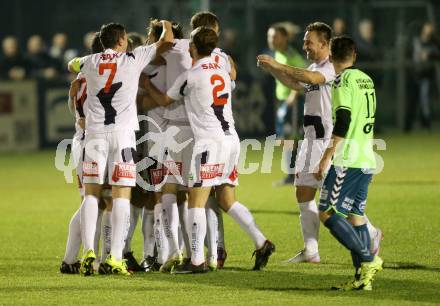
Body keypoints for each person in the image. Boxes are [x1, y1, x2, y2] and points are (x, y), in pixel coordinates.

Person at [142, 26, 275, 274]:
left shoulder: (190, 75)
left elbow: (163, 101)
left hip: (208, 143)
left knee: (196, 200)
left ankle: (195, 261)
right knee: (226, 200)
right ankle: (261, 242)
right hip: (231, 140)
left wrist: (146, 85)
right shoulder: (223, 71)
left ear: (192, 46)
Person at [258, 22, 382, 264]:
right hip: (311, 140)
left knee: (338, 205)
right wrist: (272, 71)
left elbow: (310, 77)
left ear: (325, 45)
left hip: (328, 143)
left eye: (309, 42)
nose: (305, 46)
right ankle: (311, 250)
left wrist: (277, 64)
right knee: (303, 193)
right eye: (305, 41)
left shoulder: (331, 68)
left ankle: (371, 233)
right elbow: (298, 83)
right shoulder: (315, 66)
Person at [67, 21, 174, 276]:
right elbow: (166, 41)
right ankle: (115, 257)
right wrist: (165, 25)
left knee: (91, 195)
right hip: (123, 137)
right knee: (121, 195)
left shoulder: (89, 61)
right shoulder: (133, 59)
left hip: (94, 136)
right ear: (123, 40)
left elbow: (72, 65)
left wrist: (80, 67)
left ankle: (88, 252)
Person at [315, 36, 383, 290]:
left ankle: (368, 258)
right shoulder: (367, 79)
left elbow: (343, 119)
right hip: (366, 156)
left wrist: (327, 156)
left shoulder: (341, 80)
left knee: (327, 212)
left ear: (330, 56)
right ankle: (362, 279)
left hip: (348, 159)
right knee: (356, 216)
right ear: (354, 55)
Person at [60, 33, 112, 274]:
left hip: (83, 142)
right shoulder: (97, 76)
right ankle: (82, 257)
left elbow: (74, 109)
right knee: (93, 203)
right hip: (89, 144)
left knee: (92, 203)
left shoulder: (82, 76)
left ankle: (71, 260)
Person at [266, 23, 306, 186]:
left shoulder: (292, 57)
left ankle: (296, 175)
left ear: (284, 38)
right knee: (286, 139)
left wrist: (293, 95)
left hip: (294, 102)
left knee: (292, 139)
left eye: (274, 36)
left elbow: (303, 77)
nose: (271, 40)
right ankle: (293, 174)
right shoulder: (277, 53)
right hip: (284, 101)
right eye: (269, 36)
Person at [406, 22, 440, 131]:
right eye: (426, 28)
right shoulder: (415, 41)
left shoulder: (434, 42)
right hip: (413, 74)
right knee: (411, 101)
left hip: (426, 76)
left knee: (424, 100)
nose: (428, 31)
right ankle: (407, 126)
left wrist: (429, 55)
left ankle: (426, 124)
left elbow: (437, 54)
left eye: (430, 29)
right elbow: (408, 53)